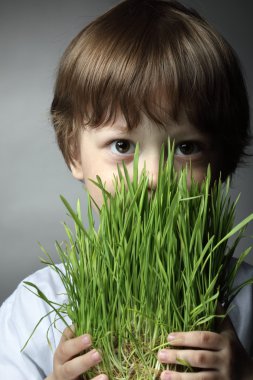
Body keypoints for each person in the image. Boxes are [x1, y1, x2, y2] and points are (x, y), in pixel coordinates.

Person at [0, 0, 252, 379]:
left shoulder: (246, 298)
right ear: (74, 154)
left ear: (224, 161)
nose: (153, 175)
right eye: (123, 146)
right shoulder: (34, 305)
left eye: (186, 148)